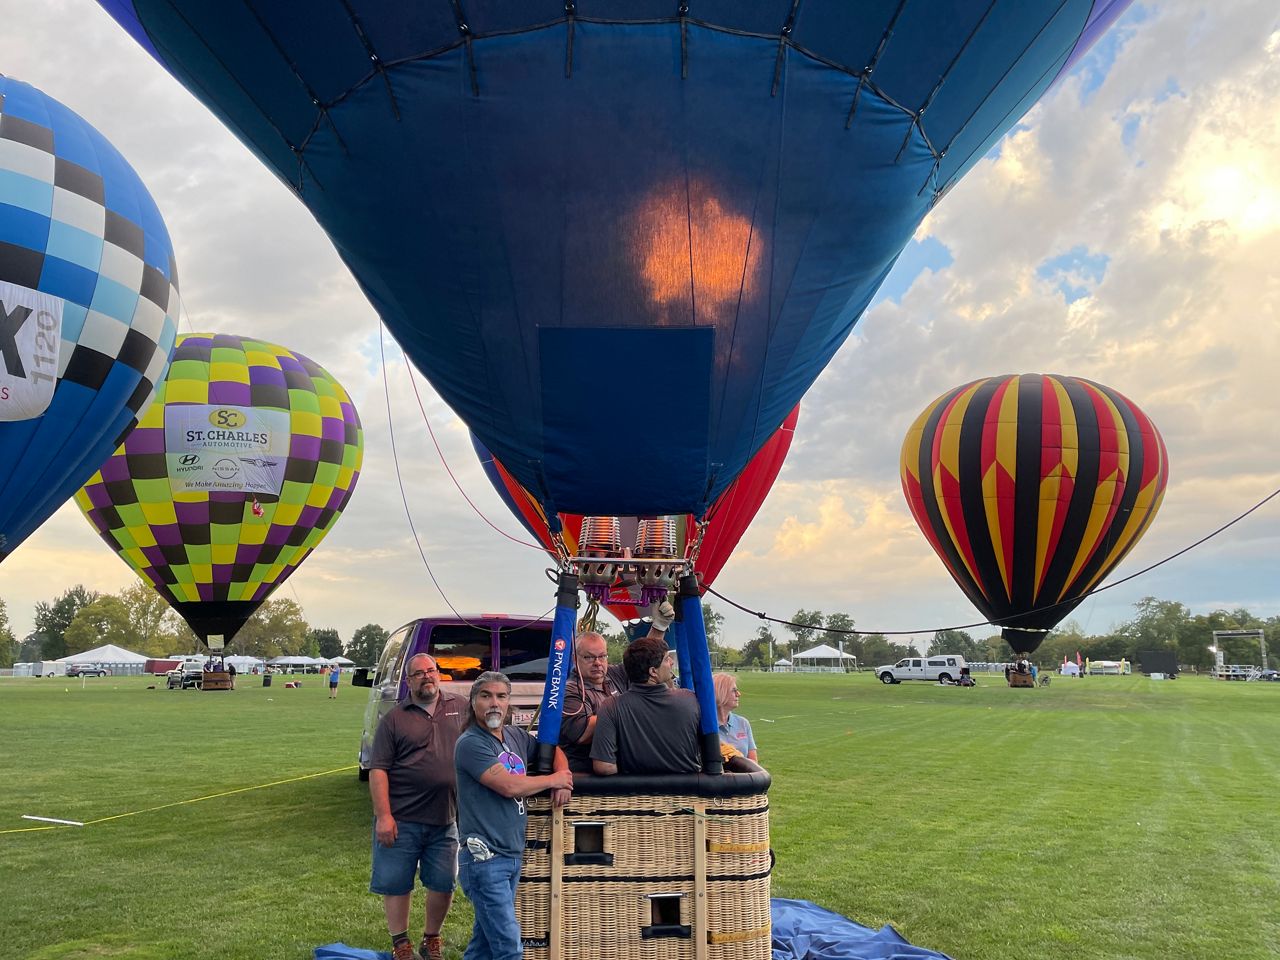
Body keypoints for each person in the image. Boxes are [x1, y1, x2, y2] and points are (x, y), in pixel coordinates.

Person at [454, 672, 573, 960]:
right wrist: (553, 780)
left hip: (510, 855)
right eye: (486, 696)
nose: (494, 703)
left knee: (483, 946)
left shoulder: (515, 736)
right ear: (473, 703)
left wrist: (563, 773)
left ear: (509, 703)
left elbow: (552, 748)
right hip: (485, 858)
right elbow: (509, 785)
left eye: (501, 696)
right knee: (509, 947)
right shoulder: (471, 743)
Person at [368, 654, 469, 960]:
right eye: (418, 674)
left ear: (440, 674)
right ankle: (401, 944)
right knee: (396, 883)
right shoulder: (394, 719)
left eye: (431, 671)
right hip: (402, 818)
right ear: (408, 681)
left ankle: (431, 939)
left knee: (443, 883)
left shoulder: (461, 707)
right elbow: (378, 770)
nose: (427, 677)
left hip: (445, 817)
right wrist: (384, 816)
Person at [591, 635, 702, 776]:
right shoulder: (689, 700)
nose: (672, 662)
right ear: (653, 671)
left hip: (634, 795)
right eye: (667, 659)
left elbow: (604, 766)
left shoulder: (610, 707)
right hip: (687, 793)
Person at [558, 631, 628, 773]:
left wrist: (659, 627)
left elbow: (644, 660)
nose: (597, 663)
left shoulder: (612, 675)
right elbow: (583, 734)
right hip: (585, 774)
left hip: (616, 766)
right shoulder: (571, 689)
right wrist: (626, 710)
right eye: (589, 657)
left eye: (602, 656)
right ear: (575, 659)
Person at [712, 672, 757, 762]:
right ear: (720, 692)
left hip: (743, 775)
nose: (738, 694)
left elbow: (754, 762)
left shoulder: (743, 723)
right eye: (734, 690)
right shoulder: (704, 726)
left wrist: (739, 760)